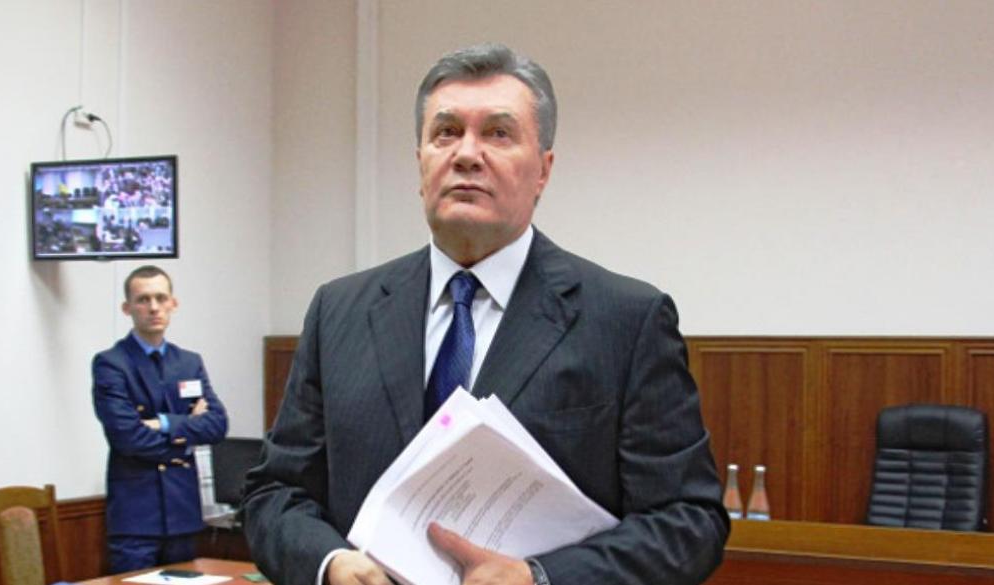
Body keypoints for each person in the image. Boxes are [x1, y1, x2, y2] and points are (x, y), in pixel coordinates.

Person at [243, 43, 728, 585]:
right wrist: (331, 564)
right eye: (446, 132)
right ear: (420, 162)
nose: (467, 154)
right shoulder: (340, 311)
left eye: (498, 133)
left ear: (543, 170)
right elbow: (274, 492)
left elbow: (689, 522)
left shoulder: (625, 319)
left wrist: (539, 578)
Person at [92, 265, 228, 573]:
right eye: (143, 299)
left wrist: (164, 423)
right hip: (136, 518)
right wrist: (187, 438)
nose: (153, 307)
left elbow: (218, 425)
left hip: (183, 512)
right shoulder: (111, 364)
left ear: (173, 304)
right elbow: (127, 437)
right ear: (127, 308)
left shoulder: (189, 362)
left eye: (160, 298)